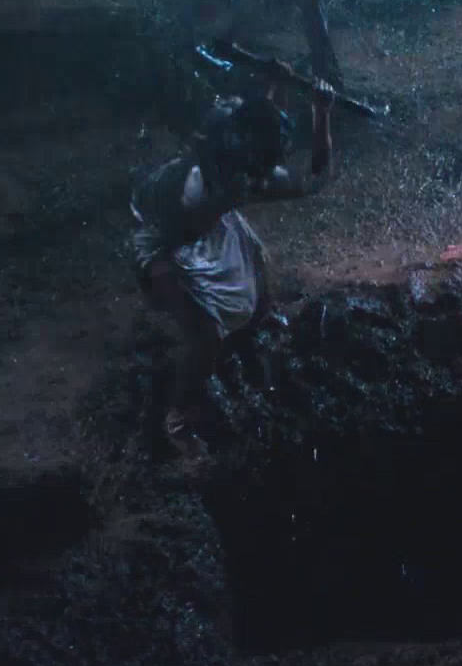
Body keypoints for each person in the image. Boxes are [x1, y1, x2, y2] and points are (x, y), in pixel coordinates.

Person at [130, 80, 336, 459]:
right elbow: (183, 230)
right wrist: (224, 202)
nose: (266, 172)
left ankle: (250, 336)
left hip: (209, 219)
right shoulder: (203, 181)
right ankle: (179, 419)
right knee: (206, 337)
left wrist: (314, 108)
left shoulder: (239, 140)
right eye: (262, 163)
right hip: (160, 239)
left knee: (255, 272)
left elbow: (313, 176)